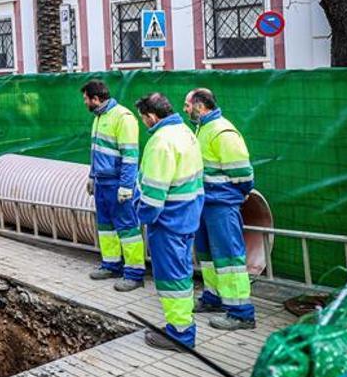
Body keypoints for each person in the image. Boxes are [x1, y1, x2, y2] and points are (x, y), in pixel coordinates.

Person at [134, 93, 204, 350]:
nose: (144, 124)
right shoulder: (185, 132)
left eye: (144, 119)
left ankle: (180, 334)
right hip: (188, 215)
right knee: (182, 275)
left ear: (152, 116)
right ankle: (183, 325)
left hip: (168, 221)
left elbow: (153, 194)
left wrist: (143, 216)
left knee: (171, 278)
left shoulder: (160, 142)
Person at [184, 88, 256, 330]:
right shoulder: (204, 128)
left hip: (222, 204)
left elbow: (244, 174)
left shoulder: (222, 131)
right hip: (206, 202)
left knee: (229, 257)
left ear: (200, 106)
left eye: (187, 105)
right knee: (206, 254)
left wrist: (237, 195)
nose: (185, 109)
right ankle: (213, 297)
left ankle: (241, 312)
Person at [81, 80, 145, 292]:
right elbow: (96, 151)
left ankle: (134, 273)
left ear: (96, 99)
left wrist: (126, 186)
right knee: (106, 227)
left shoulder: (123, 117)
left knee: (127, 228)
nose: (85, 103)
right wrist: (92, 176)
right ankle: (111, 264)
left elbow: (130, 156)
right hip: (102, 182)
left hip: (117, 183)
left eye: (86, 99)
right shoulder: (99, 117)